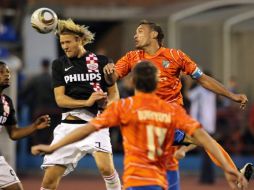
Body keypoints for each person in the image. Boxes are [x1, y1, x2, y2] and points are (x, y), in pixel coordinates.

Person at [31, 61, 248, 190]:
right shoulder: (172, 111)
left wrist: (52, 148)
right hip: (158, 181)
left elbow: (86, 129)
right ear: (157, 83)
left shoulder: (124, 107)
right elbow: (205, 139)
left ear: (133, 82)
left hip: (134, 181)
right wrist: (229, 169)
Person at [103, 20, 251, 190]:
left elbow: (202, 79)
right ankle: (234, 173)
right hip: (144, 119)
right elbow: (112, 78)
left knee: (201, 140)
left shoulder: (175, 56)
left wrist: (231, 95)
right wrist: (107, 71)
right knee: (176, 157)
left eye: (140, 31)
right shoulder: (131, 57)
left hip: (171, 119)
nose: (135, 35)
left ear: (154, 34)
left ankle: (234, 172)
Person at [35, 19, 121, 190]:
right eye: (62, 43)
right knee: (49, 181)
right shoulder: (59, 64)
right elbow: (60, 99)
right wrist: (87, 101)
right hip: (68, 125)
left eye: (68, 42)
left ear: (79, 40)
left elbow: (114, 95)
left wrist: (107, 106)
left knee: (106, 168)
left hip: (96, 123)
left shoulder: (101, 61)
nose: (65, 46)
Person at [0, 61, 50, 190]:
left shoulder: (6, 102)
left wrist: (34, 126)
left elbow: (14, 133)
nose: (7, 75)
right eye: (1, 72)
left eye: (8, 72)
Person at [19, 58, 61, 145]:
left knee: (37, 130)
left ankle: (37, 148)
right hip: (55, 111)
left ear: (42, 65)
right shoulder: (54, 79)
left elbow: (24, 92)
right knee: (53, 131)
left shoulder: (35, 79)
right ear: (49, 65)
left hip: (40, 109)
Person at [188, 78, 217, 184]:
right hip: (210, 125)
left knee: (205, 153)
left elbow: (188, 96)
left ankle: (206, 178)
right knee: (209, 152)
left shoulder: (200, 90)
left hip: (202, 126)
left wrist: (188, 83)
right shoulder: (212, 92)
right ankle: (209, 177)